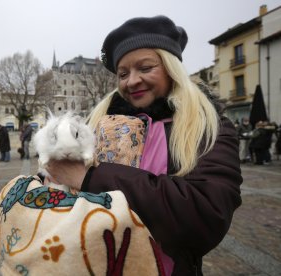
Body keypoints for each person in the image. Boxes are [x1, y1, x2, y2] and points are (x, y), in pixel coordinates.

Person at [45, 15, 242, 275]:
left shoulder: (208, 127)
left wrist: (90, 177)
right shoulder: (99, 124)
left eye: (146, 68)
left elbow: (204, 216)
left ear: (172, 68)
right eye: (123, 73)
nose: (131, 81)